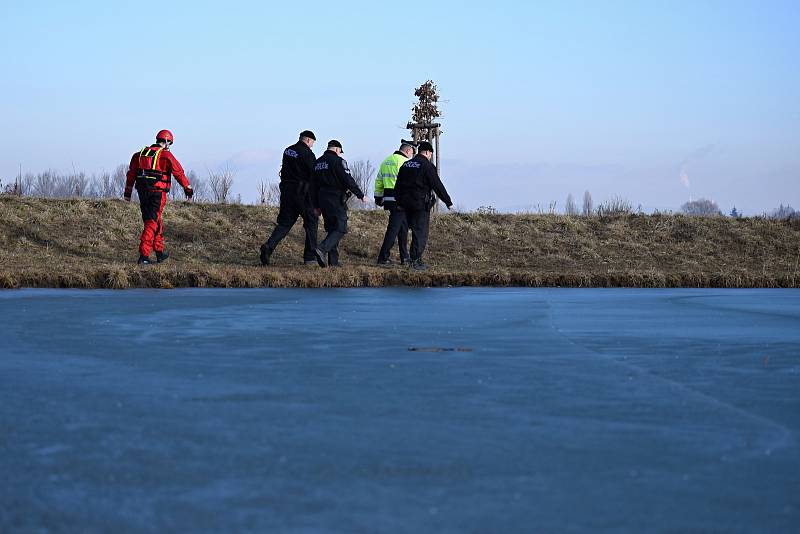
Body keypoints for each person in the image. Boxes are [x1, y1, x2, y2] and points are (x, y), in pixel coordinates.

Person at [124, 129, 193, 265]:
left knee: (156, 221)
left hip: (142, 192)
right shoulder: (166, 156)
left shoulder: (138, 155)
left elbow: (131, 174)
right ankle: (143, 256)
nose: (169, 146)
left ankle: (159, 252)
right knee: (151, 223)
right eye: (170, 143)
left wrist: (128, 192)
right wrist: (188, 189)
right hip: (157, 193)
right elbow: (178, 172)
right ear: (167, 142)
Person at [259, 130, 319, 266]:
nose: (312, 146)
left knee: (285, 223)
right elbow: (314, 174)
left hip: (286, 191)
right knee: (311, 221)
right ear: (309, 140)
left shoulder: (288, 150)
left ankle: (269, 246)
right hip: (302, 193)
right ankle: (310, 258)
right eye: (313, 143)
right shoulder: (308, 154)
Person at [394, 140, 453, 270]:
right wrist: (447, 201)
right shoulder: (427, 166)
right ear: (427, 152)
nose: (431, 157)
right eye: (430, 154)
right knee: (420, 232)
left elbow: (398, 184)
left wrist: (398, 201)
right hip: (419, 204)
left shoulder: (406, 164)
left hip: (403, 204)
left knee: (403, 231)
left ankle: (406, 258)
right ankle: (415, 260)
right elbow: (437, 185)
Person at [312, 140, 368, 267]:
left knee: (332, 228)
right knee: (340, 228)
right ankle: (321, 249)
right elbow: (347, 179)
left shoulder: (318, 163)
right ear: (337, 149)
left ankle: (334, 262)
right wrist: (360, 195)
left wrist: (316, 205)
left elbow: (313, 186)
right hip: (335, 198)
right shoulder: (338, 161)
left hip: (322, 198)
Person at [375, 140, 416, 265]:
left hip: (388, 199)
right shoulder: (405, 162)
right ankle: (383, 257)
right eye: (412, 153)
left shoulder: (386, 161)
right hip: (401, 200)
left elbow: (379, 181)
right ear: (408, 150)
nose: (412, 155)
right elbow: (410, 183)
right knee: (393, 229)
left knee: (402, 228)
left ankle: (405, 257)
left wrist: (378, 197)